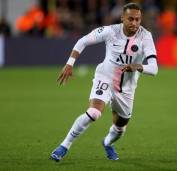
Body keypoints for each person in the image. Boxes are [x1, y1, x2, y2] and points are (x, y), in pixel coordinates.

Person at [50, 3, 158, 162]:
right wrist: (69, 63)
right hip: (105, 78)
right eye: (130, 19)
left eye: (137, 19)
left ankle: (107, 143)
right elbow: (83, 41)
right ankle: (64, 146)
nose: (134, 23)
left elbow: (154, 68)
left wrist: (138, 66)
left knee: (121, 127)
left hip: (126, 88)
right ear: (122, 18)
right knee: (94, 113)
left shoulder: (145, 36)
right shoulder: (110, 31)